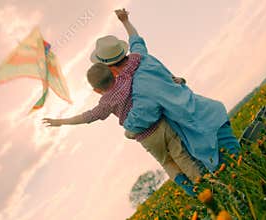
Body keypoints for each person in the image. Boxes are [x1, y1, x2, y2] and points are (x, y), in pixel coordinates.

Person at [96, 8, 241, 172]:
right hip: (210, 112)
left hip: (203, 129)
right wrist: (125, 21)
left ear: (111, 69)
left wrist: (128, 130)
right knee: (241, 164)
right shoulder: (141, 56)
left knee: (237, 170)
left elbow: (142, 116)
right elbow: (135, 39)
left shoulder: (139, 88)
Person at [43, 54, 202, 197]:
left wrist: (61, 121)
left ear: (97, 90)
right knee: (181, 154)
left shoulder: (105, 103)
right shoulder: (126, 77)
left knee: (167, 163)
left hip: (146, 137)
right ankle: (204, 185)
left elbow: (87, 117)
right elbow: (135, 59)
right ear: (113, 72)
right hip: (160, 124)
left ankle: (192, 192)